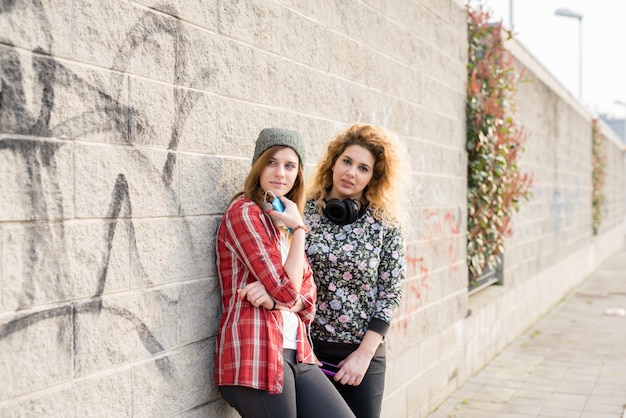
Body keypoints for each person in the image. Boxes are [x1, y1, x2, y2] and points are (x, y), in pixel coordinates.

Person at [214, 127, 356, 418]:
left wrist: (276, 298)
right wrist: (301, 230)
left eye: (290, 165)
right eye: (272, 162)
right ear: (258, 165)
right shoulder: (245, 213)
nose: (280, 172)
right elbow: (289, 291)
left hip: (298, 351)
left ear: (298, 174)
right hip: (257, 354)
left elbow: (309, 297)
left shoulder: (284, 221)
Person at [304, 124, 407, 418]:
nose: (351, 172)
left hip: (363, 355)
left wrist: (363, 356)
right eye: (347, 161)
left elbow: (390, 293)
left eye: (363, 168)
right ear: (333, 162)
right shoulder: (304, 212)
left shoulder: (385, 224)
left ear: (373, 177)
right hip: (308, 351)